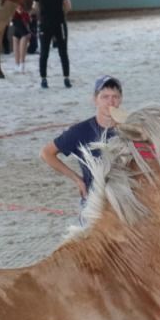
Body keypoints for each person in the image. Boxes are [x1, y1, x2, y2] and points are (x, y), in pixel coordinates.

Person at [39, 75, 122, 215]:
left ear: (121, 100)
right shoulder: (80, 131)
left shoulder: (130, 129)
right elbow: (47, 153)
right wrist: (77, 180)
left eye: (115, 96)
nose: (111, 102)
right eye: (105, 97)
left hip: (124, 199)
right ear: (95, 100)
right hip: (95, 201)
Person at [34, 0, 71, 89]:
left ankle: (66, 77)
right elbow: (35, 7)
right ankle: (43, 78)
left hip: (59, 24)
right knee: (44, 52)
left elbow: (68, 5)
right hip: (44, 25)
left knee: (63, 52)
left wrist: (62, 15)